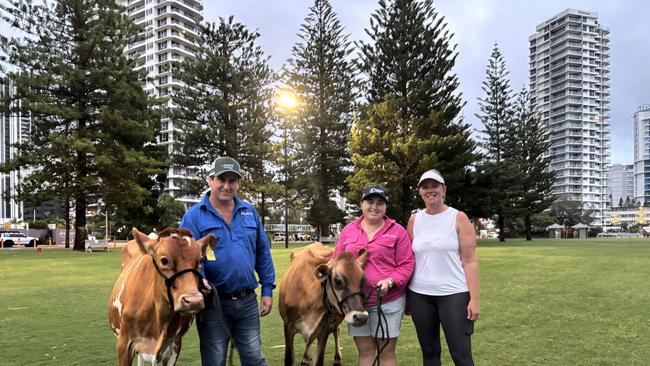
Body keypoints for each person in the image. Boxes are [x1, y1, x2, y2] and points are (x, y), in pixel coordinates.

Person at [180, 156, 275, 366]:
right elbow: (186, 257)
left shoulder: (249, 212)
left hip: (247, 301)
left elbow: (262, 252)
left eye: (232, 180)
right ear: (210, 180)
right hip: (213, 303)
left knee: (254, 359)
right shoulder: (194, 216)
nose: (227, 185)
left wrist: (267, 290)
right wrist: (200, 280)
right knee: (215, 361)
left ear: (238, 184)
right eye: (221, 179)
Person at [333, 185, 414, 366]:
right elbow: (336, 262)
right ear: (362, 204)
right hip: (356, 303)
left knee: (386, 353)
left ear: (386, 207)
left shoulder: (397, 231)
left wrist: (390, 281)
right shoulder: (348, 231)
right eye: (370, 202)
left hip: (388, 301)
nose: (374, 207)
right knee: (365, 352)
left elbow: (407, 264)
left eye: (380, 203)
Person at [407, 169, 480, 366]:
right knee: (430, 354)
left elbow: (470, 260)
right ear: (420, 192)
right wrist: (406, 297)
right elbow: (409, 259)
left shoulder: (458, 218)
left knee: (461, 356)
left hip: (454, 294)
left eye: (435, 186)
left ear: (444, 190)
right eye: (425, 186)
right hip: (420, 295)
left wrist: (474, 299)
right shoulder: (414, 219)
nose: (430, 190)